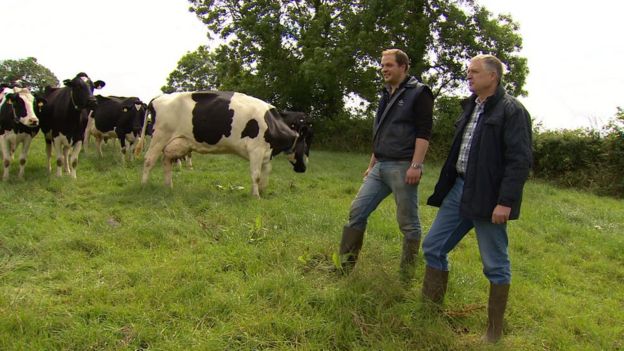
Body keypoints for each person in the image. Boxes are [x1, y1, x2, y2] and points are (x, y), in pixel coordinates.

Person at [421, 54, 532, 343]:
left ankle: (493, 332)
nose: (468, 76)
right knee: (433, 246)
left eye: (474, 72)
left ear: (493, 76)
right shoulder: (470, 107)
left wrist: (505, 201)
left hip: (489, 196)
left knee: (494, 264)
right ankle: (430, 311)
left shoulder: (512, 111)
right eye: (468, 72)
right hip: (459, 189)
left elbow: (518, 161)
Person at [338, 48, 433, 276]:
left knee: (408, 223)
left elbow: (424, 133)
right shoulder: (386, 93)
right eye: (382, 65)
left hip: (403, 167)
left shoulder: (420, 93)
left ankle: (406, 274)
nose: (383, 69)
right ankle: (344, 268)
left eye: (389, 65)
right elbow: (380, 132)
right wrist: (372, 163)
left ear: (403, 67)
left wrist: (416, 166)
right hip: (380, 165)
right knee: (357, 212)